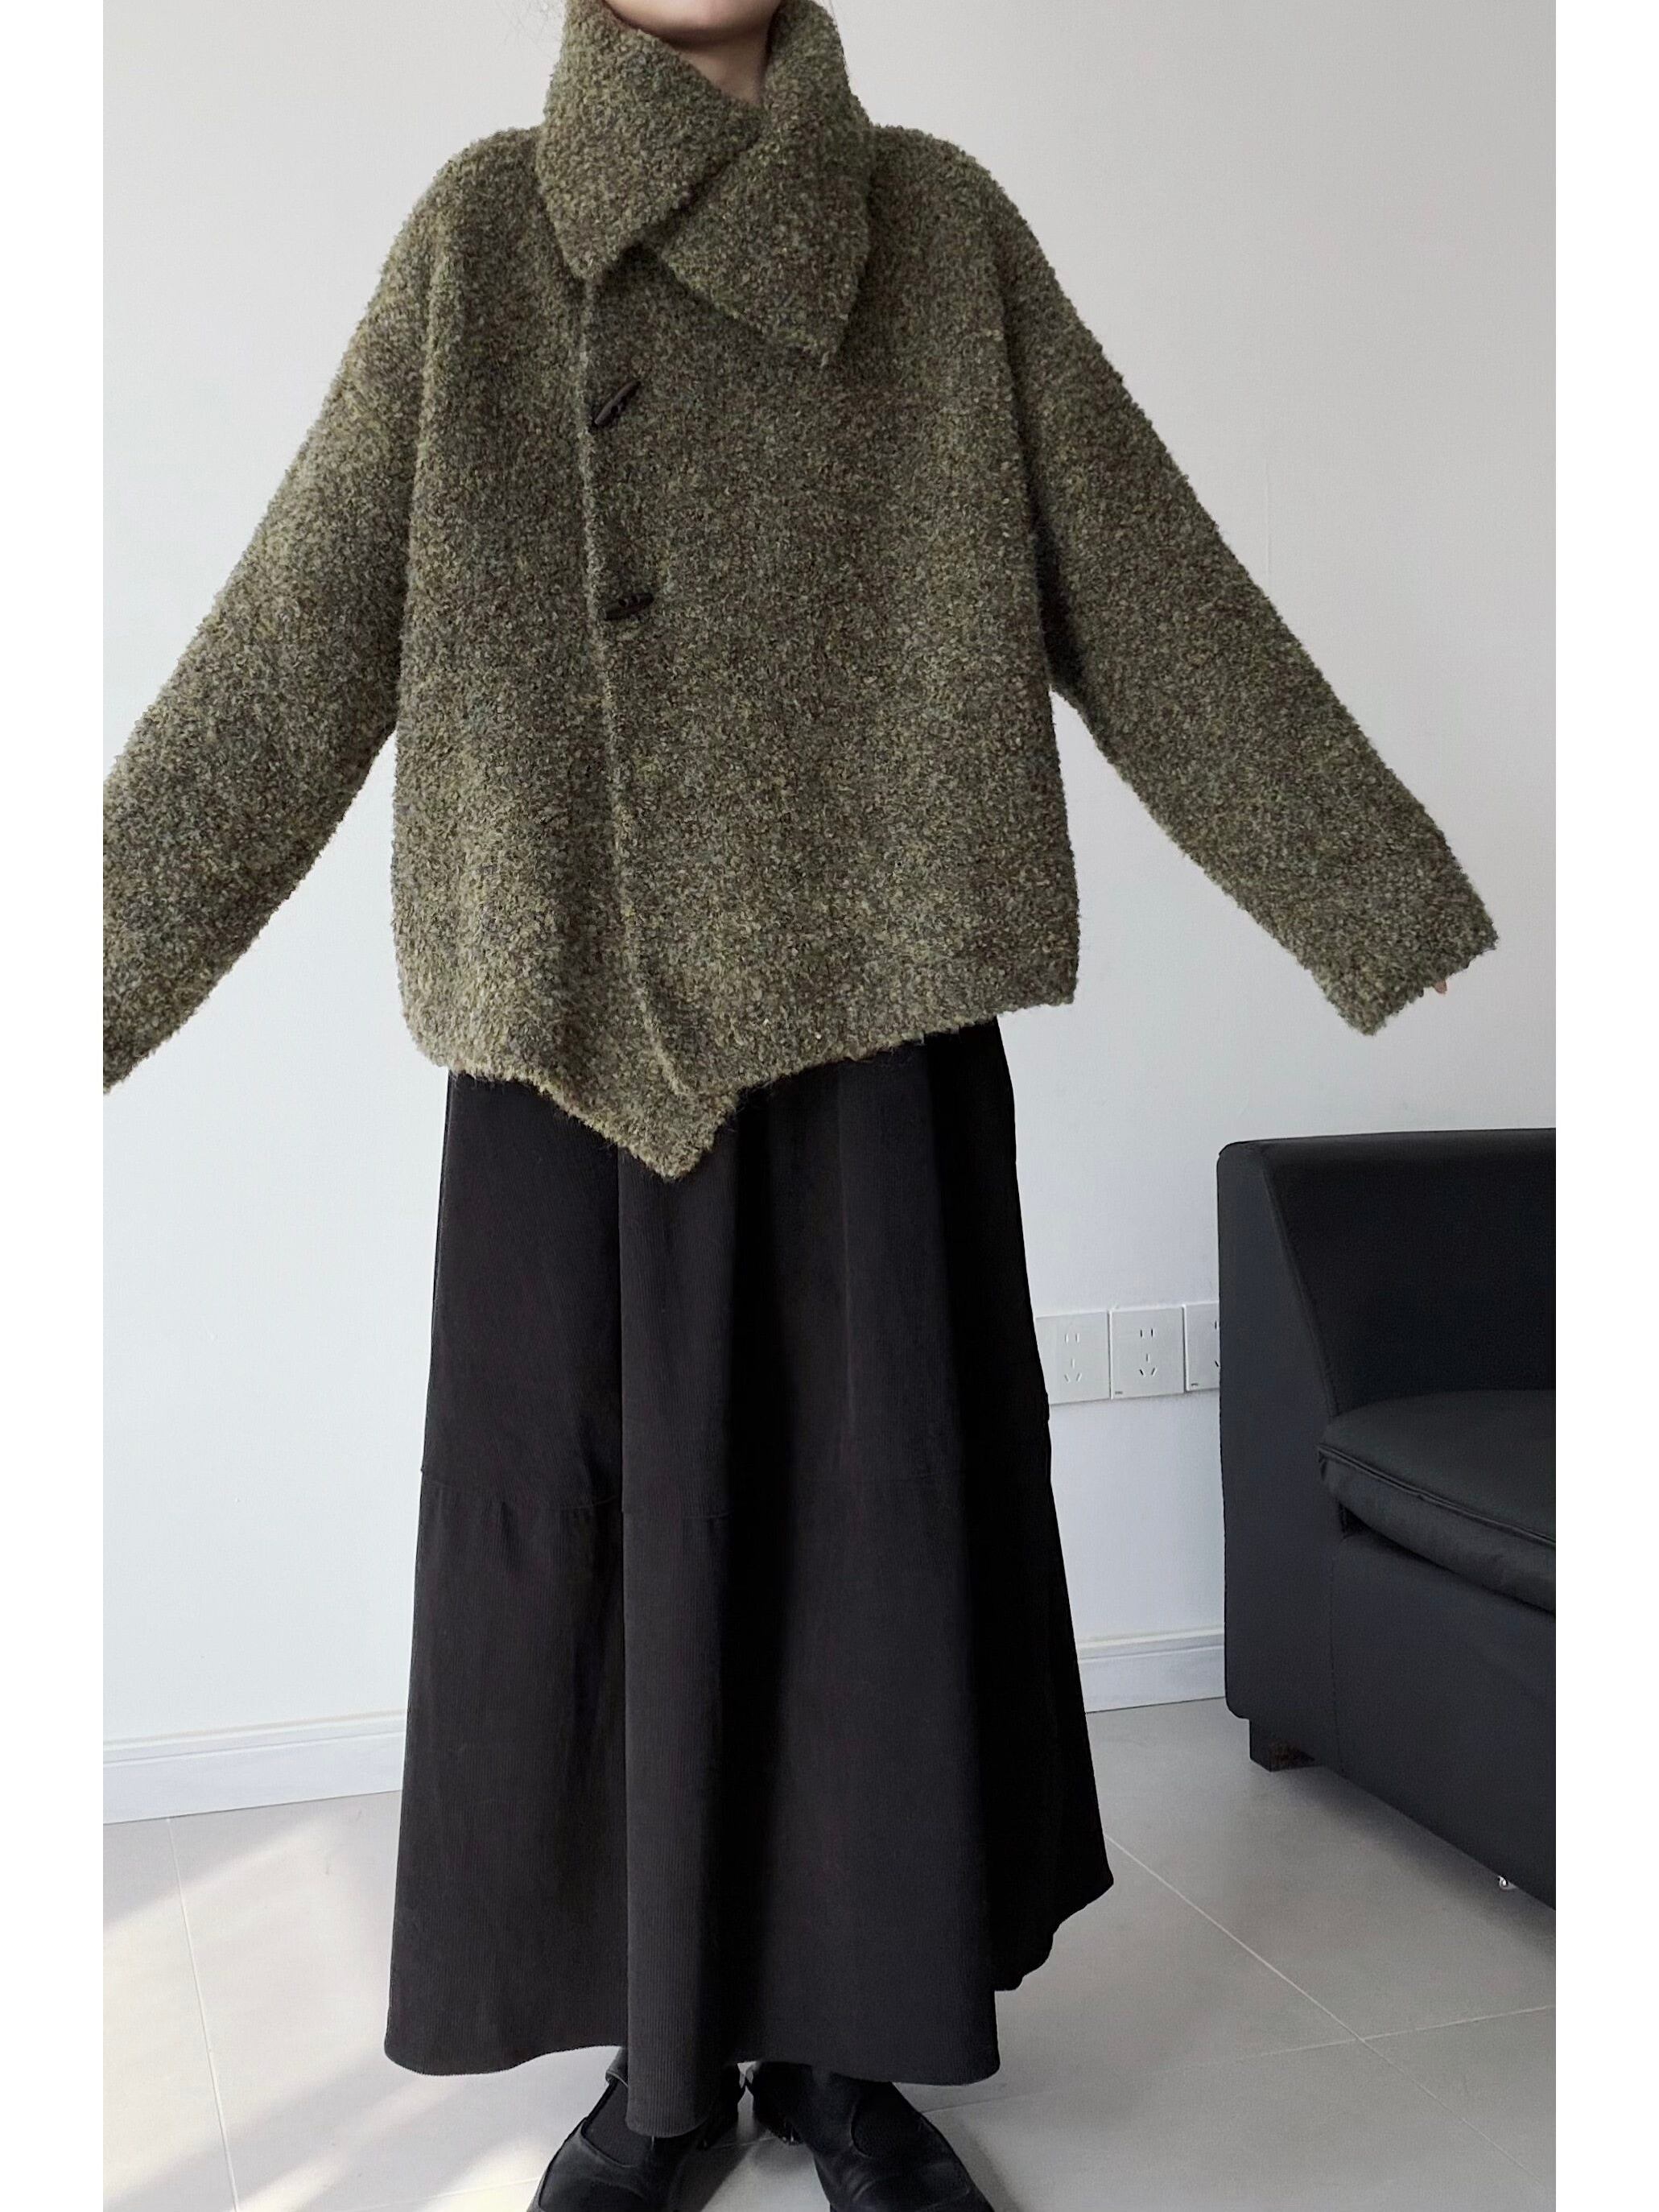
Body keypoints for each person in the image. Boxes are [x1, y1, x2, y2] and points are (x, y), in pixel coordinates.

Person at [103, 2, 1496, 2206]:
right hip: (577, 1024)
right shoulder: (484, 241)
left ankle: (851, 2060)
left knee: (880, 1543)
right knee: (591, 1556)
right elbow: (290, 648)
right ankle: (661, 2081)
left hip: (878, 1006)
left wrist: (1372, 893)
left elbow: (1153, 591)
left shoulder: (938, 232)